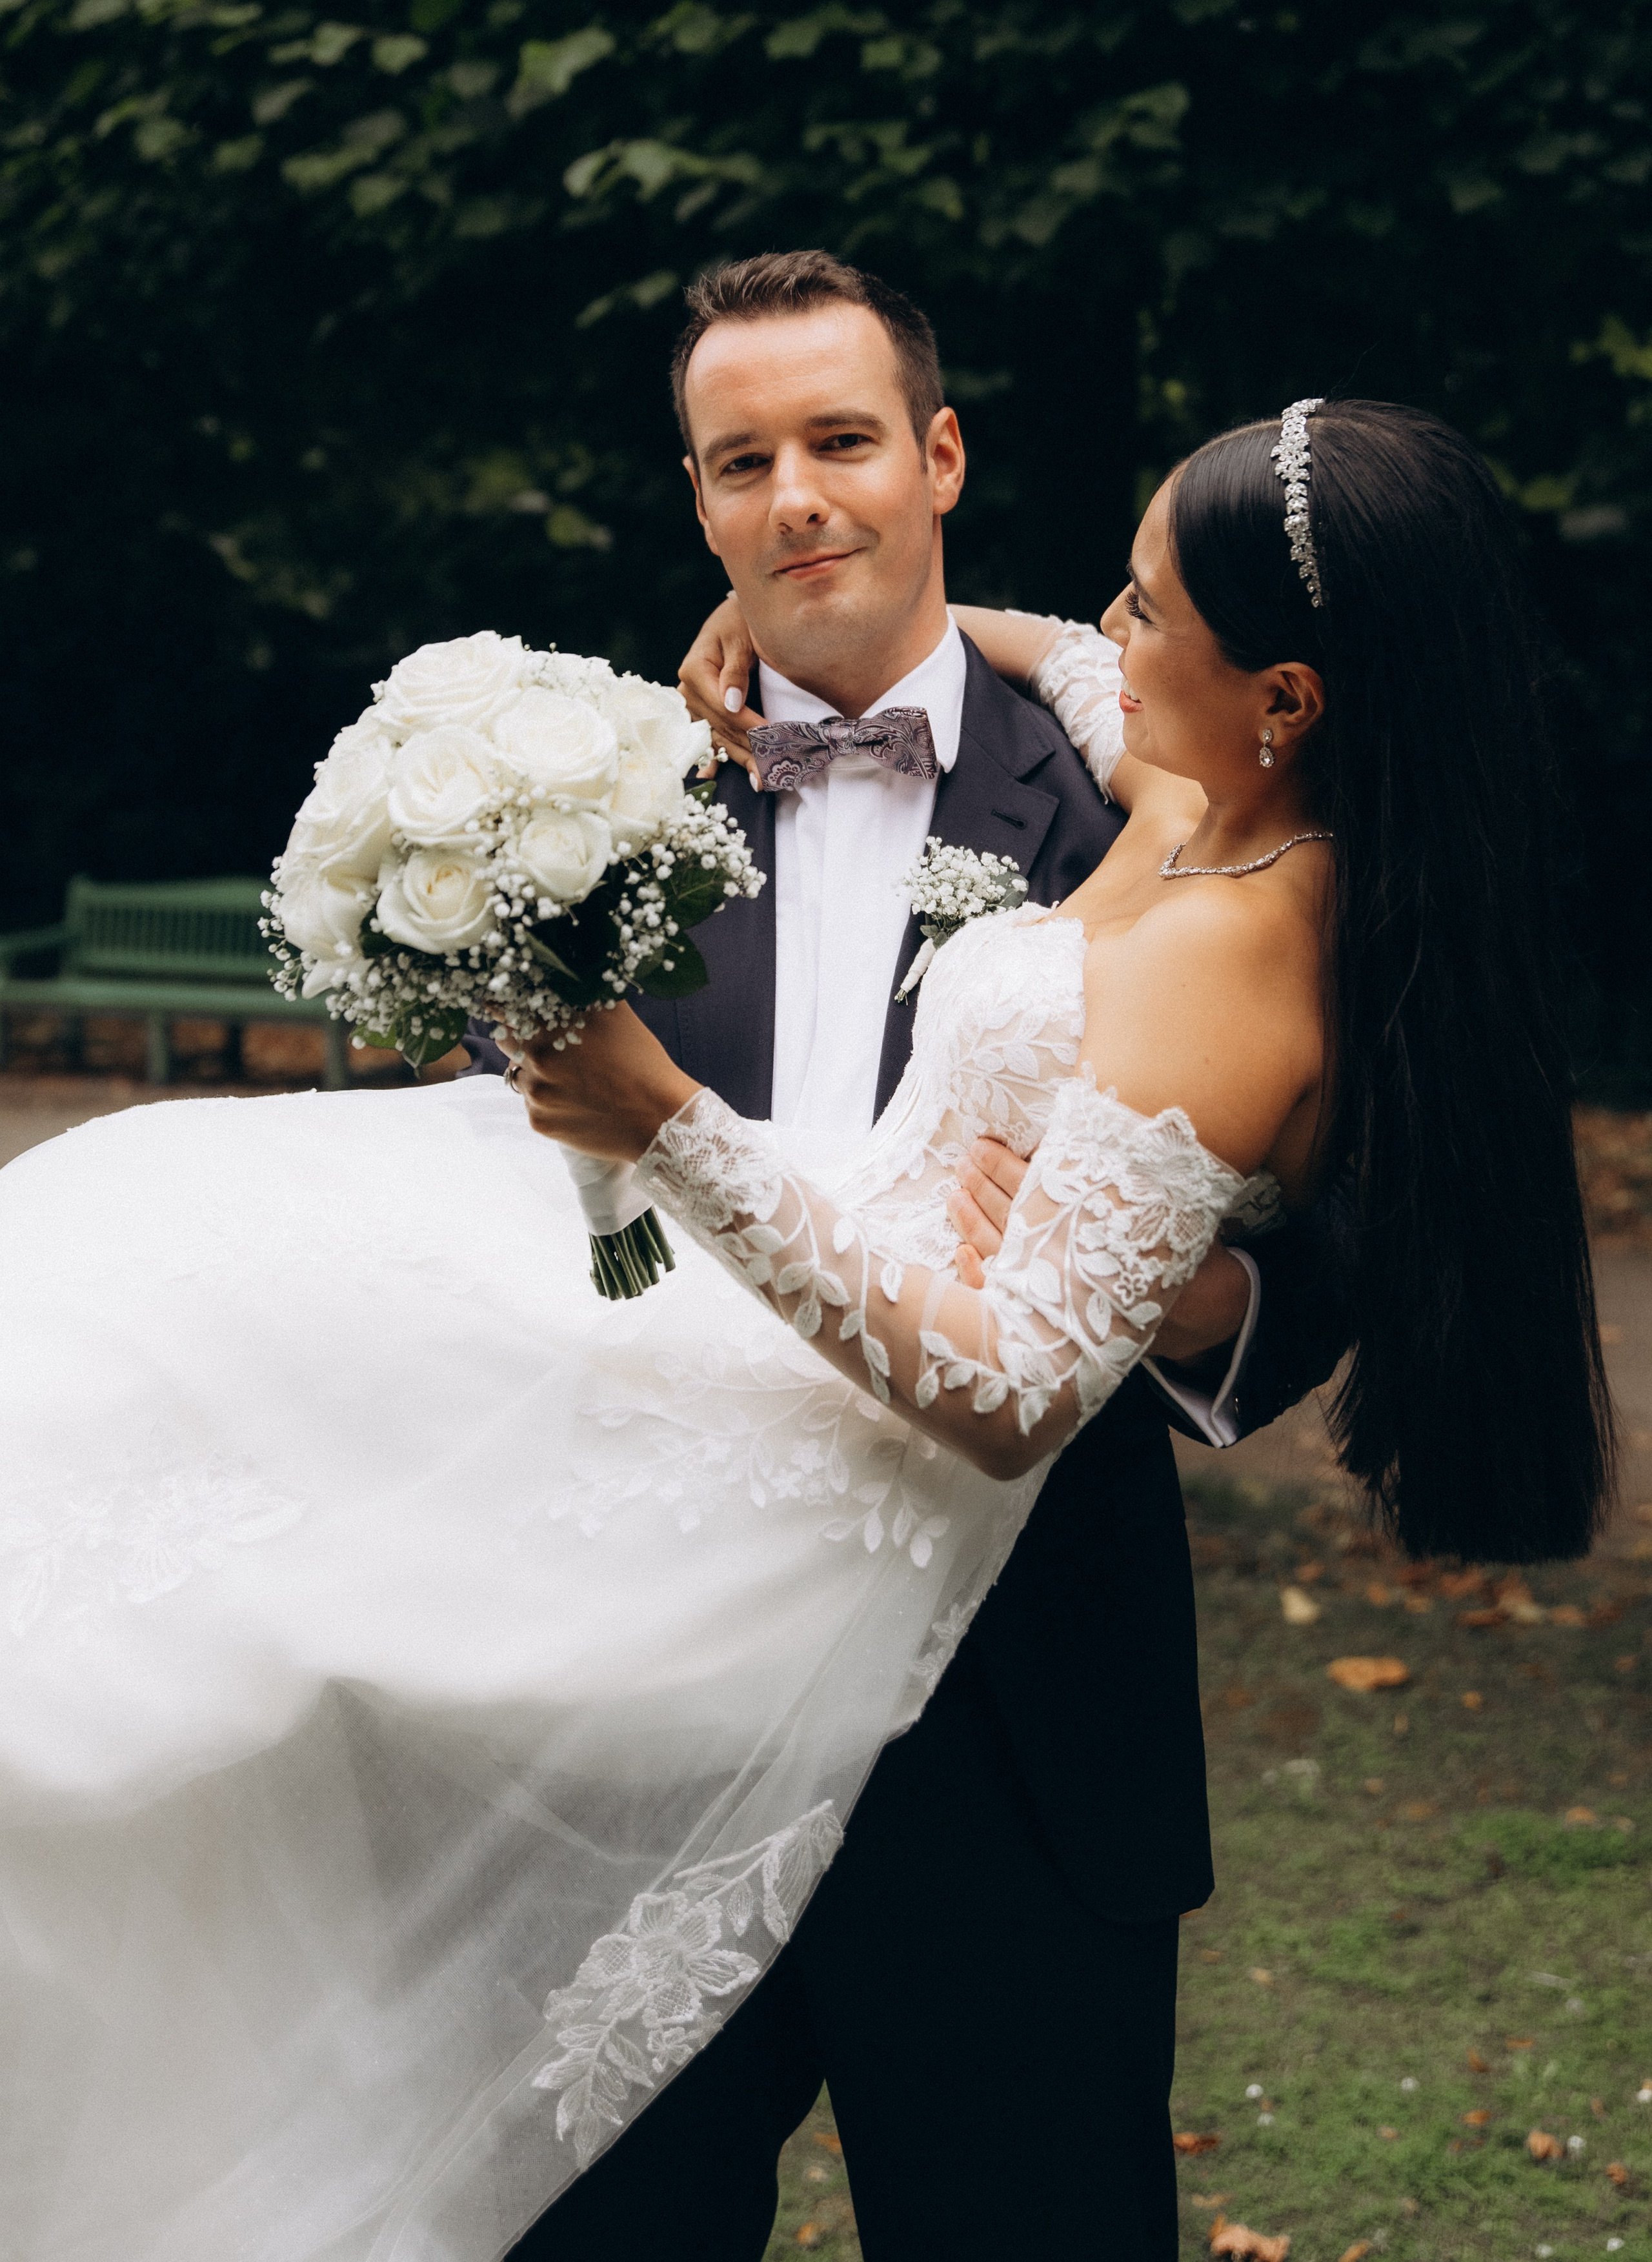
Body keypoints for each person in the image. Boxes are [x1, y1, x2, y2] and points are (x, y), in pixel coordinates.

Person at [0, 345, 1613, 2262]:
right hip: (651, 1597)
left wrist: (662, 1120)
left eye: (1145, 598)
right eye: (743, 464)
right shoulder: (1198, 792)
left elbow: (1017, 1388)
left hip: (946, 1627)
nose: (1107, 626)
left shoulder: (1234, 933)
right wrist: (832, 605)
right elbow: (1076, 663)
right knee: (155, 1272)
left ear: (1286, 693)